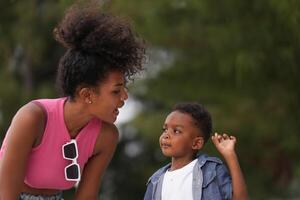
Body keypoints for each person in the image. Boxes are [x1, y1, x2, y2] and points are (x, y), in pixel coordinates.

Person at [0, 3, 145, 200]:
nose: (124, 97)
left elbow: (86, 196)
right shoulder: (32, 118)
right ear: (87, 95)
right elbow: (5, 194)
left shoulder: (106, 137)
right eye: (116, 91)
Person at [143, 102, 248, 200]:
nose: (166, 135)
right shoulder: (155, 181)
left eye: (176, 131)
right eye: (165, 129)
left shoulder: (211, 170)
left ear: (196, 143)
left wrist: (230, 156)